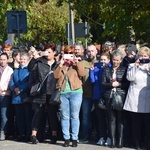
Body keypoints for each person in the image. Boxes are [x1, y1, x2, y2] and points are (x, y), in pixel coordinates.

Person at [53, 45, 86, 147]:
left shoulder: (76, 64)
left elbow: (83, 73)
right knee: (64, 116)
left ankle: (75, 138)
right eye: (67, 53)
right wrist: (60, 64)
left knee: (75, 116)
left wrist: (77, 63)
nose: (69, 56)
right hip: (63, 92)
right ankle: (66, 138)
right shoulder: (61, 64)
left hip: (76, 91)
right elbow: (56, 76)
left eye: (71, 54)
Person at [29, 44, 59, 144]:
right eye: (46, 52)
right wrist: (35, 57)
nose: (47, 54)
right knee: (38, 114)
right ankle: (33, 135)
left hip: (52, 92)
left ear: (54, 53)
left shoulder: (58, 64)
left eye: (49, 52)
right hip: (41, 91)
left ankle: (54, 135)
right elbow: (30, 69)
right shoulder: (40, 62)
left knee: (52, 115)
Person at [123, 46, 150, 150]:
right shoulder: (132, 65)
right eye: (141, 56)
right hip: (134, 95)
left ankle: (147, 143)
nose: (143, 58)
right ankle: (136, 143)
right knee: (136, 122)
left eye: (145, 56)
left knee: (147, 123)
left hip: (147, 96)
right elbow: (130, 77)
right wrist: (136, 66)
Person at [101, 50, 129, 148]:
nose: (115, 62)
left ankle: (120, 140)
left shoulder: (124, 69)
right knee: (111, 119)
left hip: (120, 96)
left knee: (120, 119)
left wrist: (119, 84)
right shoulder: (107, 70)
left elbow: (127, 84)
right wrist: (111, 84)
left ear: (121, 60)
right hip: (109, 96)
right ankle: (113, 140)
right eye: (114, 60)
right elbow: (103, 83)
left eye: (117, 60)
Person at [9, 52, 33, 142]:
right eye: (21, 59)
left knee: (27, 117)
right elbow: (11, 81)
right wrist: (14, 88)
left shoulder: (29, 71)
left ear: (27, 60)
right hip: (16, 97)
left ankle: (28, 134)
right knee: (19, 118)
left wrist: (21, 89)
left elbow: (28, 82)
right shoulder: (15, 71)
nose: (22, 61)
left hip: (25, 96)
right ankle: (21, 134)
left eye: (24, 59)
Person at [89, 52, 112, 146]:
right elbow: (92, 80)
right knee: (100, 118)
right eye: (101, 60)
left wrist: (106, 68)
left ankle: (110, 137)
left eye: (104, 60)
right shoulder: (97, 68)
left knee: (109, 118)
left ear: (108, 60)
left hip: (106, 95)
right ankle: (102, 136)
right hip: (97, 96)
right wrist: (92, 71)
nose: (102, 62)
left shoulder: (110, 68)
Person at [79, 44, 98, 143]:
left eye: (92, 51)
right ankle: (85, 136)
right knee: (85, 117)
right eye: (89, 51)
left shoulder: (100, 62)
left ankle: (99, 136)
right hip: (85, 94)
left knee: (99, 117)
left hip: (98, 95)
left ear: (96, 51)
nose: (91, 53)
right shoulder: (82, 63)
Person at [0, 53, 13, 140]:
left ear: (7, 60)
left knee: (3, 114)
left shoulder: (10, 70)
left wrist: (3, 89)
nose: (2, 61)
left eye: (4, 59)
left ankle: (2, 131)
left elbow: (10, 83)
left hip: (5, 95)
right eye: (1, 59)